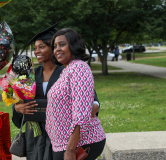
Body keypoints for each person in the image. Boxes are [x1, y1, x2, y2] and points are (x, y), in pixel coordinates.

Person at [12, 23, 100, 160]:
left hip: (63, 135)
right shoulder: (30, 75)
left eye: (42, 47)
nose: (37, 52)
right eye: (35, 48)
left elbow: (89, 97)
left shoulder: (67, 71)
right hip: (35, 135)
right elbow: (19, 100)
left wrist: (94, 106)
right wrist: (17, 107)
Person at [46, 28, 106, 160]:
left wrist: (70, 150)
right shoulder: (67, 70)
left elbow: (81, 115)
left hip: (80, 144)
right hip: (63, 144)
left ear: (73, 45)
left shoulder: (79, 68)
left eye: (62, 44)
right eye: (55, 46)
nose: (57, 49)